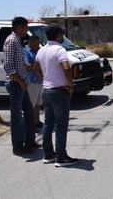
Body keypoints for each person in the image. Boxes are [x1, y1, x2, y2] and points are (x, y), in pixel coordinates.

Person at [34, 23, 78, 167]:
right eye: (62, 34)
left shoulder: (42, 50)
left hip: (47, 90)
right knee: (61, 125)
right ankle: (61, 157)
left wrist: (44, 79)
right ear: (58, 35)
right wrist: (70, 85)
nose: (62, 36)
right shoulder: (60, 50)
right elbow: (66, 67)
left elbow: (36, 68)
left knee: (48, 123)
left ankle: (48, 155)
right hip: (59, 91)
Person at [3, 16, 41, 156]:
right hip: (16, 84)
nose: (26, 31)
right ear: (19, 27)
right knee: (17, 117)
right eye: (25, 27)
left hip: (23, 83)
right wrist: (20, 81)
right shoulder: (11, 41)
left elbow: (19, 64)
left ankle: (30, 141)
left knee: (29, 112)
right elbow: (8, 66)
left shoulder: (18, 41)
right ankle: (18, 147)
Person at [24, 35, 43, 131]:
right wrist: (37, 66)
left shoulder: (38, 51)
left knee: (38, 103)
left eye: (38, 44)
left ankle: (37, 121)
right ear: (30, 43)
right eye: (35, 44)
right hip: (31, 81)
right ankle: (30, 125)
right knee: (31, 104)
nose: (37, 46)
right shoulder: (26, 52)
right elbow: (26, 66)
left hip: (39, 80)